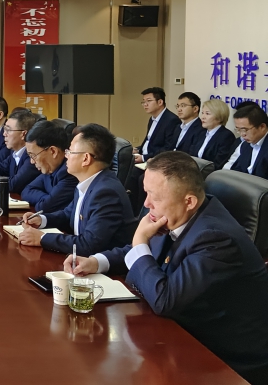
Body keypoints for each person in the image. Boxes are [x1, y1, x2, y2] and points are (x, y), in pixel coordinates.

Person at [66, 152, 268, 384]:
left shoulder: (217, 239)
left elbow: (165, 300)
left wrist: (139, 242)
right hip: (180, 332)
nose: (146, 203)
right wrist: (97, 261)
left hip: (223, 359)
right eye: (146, 192)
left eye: (154, 196)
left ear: (189, 201)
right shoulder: (182, 213)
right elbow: (145, 250)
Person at [19, 124, 135, 254]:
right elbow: (68, 214)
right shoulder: (88, 182)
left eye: (70, 152)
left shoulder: (106, 192)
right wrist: (42, 220)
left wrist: (42, 238)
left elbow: (88, 244)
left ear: (85, 159)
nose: (66, 156)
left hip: (100, 264)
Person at [0, 108, 40, 194]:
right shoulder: (14, 152)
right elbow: (1, 167)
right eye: (4, 129)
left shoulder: (32, 157)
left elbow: (14, 185)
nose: (4, 134)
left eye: (8, 130)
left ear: (23, 134)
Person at [18, 121, 78, 212]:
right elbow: (26, 191)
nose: (32, 161)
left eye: (33, 155)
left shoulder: (69, 173)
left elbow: (44, 207)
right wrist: (47, 197)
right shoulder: (50, 168)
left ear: (53, 151)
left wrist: (47, 200)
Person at [133, 87, 181, 163]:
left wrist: (144, 158)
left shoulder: (171, 120)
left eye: (149, 101)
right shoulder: (152, 119)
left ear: (160, 102)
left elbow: (168, 148)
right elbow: (148, 141)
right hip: (145, 157)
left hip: (156, 161)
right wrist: (137, 150)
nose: (145, 104)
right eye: (143, 102)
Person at [191, 99, 236, 170]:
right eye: (202, 113)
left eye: (207, 113)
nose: (203, 117)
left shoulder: (226, 136)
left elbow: (218, 164)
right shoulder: (201, 133)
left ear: (219, 117)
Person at [230, 104, 268, 179]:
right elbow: (237, 170)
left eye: (245, 130)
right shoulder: (245, 145)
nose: (242, 134)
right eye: (238, 129)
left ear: (262, 127)